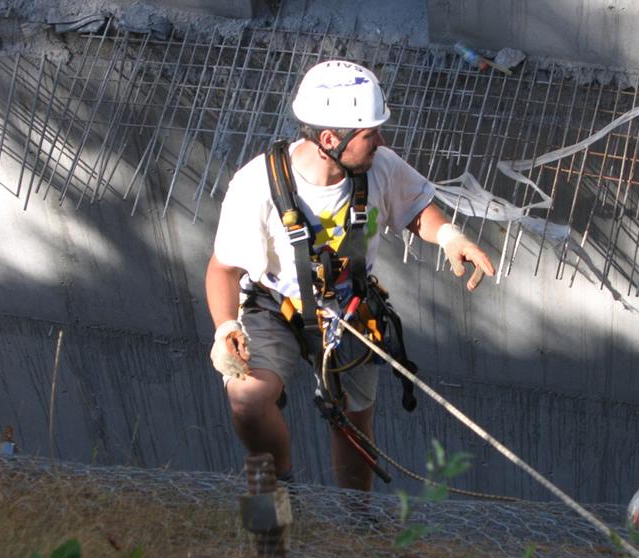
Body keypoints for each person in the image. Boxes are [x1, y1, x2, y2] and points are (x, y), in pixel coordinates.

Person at [205, 60, 493, 492]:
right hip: (275, 305)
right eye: (369, 134)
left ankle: (355, 525)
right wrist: (225, 325)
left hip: (350, 311)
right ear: (329, 140)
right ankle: (280, 487)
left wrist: (450, 236)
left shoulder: (379, 167)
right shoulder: (258, 185)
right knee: (246, 401)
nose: (381, 140)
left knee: (353, 424)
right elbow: (222, 269)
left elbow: (416, 209)